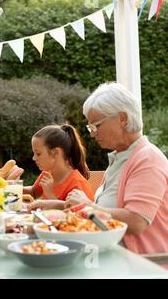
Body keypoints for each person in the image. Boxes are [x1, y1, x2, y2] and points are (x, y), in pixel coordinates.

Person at [62, 82, 168, 255]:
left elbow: (136, 221)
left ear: (122, 118)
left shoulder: (148, 160)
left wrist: (87, 206)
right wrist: (58, 205)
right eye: (90, 127)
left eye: (96, 125)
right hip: (109, 255)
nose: (92, 133)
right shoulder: (121, 157)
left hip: (141, 266)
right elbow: (104, 209)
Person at [24, 124, 94, 209]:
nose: (34, 158)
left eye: (38, 154)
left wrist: (50, 194)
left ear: (56, 153)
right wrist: (10, 187)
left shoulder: (77, 183)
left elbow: (77, 216)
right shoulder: (47, 173)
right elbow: (33, 192)